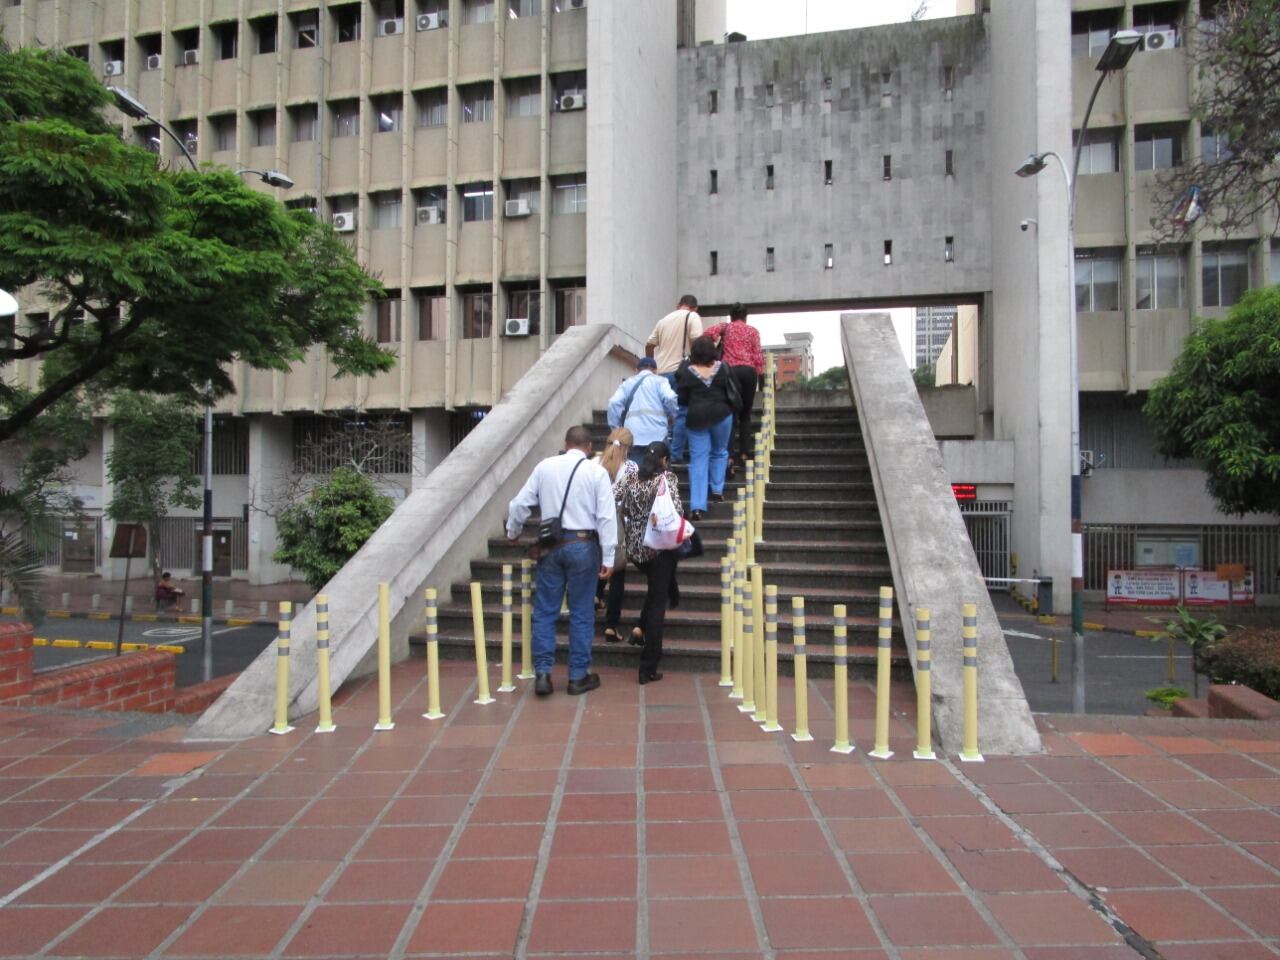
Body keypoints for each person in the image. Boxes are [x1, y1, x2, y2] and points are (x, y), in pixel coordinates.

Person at [506, 425, 617, 696]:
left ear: (566, 443)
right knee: (581, 612)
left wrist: (513, 531)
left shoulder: (545, 467)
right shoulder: (596, 471)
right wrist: (610, 556)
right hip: (583, 545)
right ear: (589, 447)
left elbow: (518, 504)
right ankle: (578, 676)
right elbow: (606, 516)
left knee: (545, 611)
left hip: (551, 547)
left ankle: (543, 674)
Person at [618, 442, 682, 684]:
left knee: (658, 589)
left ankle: (639, 628)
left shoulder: (631, 478)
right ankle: (648, 667)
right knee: (658, 604)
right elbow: (677, 510)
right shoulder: (666, 479)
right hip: (658, 549)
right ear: (664, 460)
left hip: (635, 550)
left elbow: (615, 498)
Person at [675, 335, 736, 521]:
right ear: (712, 351)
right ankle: (717, 490)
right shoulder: (723, 368)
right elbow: (731, 391)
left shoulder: (687, 371)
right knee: (719, 452)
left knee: (698, 460)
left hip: (696, 418)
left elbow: (682, 399)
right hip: (722, 415)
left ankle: (697, 507)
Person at [703, 303, 764, 471]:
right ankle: (745, 453)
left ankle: (729, 455)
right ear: (745, 316)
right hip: (749, 372)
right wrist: (760, 375)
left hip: (730, 371)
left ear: (731, 316)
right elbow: (758, 355)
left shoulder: (726, 327)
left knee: (730, 413)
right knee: (746, 414)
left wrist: (715, 347)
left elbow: (707, 334)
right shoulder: (753, 331)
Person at [594, 427, 637, 644]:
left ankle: (595, 593)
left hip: (592, 524)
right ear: (628, 448)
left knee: (599, 564)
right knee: (618, 574)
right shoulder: (630, 468)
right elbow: (627, 500)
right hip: (618, 524)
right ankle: (611, 625)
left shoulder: (593, 464)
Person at [646, 294, 701, 462]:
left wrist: (652, 366)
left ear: (679, 305)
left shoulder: (663, 320)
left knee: (664, 416)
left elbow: (649, 345)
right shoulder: (693, 316)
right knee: (681, 413)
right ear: (695, 308)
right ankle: (675, 455)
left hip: (661, 373)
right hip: (680, 372)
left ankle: (661, 454)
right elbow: (697, 342)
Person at [607, 357, 678, 461]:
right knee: (661, 473)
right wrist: (674, 416)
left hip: (633, 436)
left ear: (637, 370)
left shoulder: (627, 383)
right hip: (658, 435)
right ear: (655, 370)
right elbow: (670, 397)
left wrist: (616, 428)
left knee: (635, 473)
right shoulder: (661, 381)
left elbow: (613, 403)